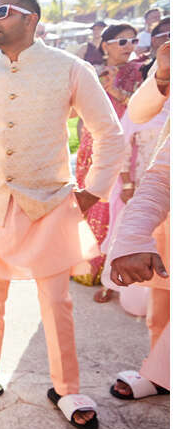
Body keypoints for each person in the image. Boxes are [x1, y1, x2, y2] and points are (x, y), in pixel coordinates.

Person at [0, 0, 125, 429]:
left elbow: (110, 133)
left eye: (2, 12)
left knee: (56, 302)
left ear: (31, 18)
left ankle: (67, 388)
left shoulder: (71, 68)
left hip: (50, 203)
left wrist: (93, 191)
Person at [103, 37, 170, 400]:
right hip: (168, 216)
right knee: (162, 302)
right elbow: (165, 172)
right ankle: (159, 375)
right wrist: (163, 74)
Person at [73, 23, 143, 298]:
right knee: (85, 203)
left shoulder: (141, 73)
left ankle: (109, 277)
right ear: (106, 45)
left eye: (133, 41)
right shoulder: (93, 73)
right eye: (122, 42)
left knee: (112, 208)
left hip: (124, 149)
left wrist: (114, 89)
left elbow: (140, 108)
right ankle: (84, 265)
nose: (129, 47)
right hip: (90, 146)